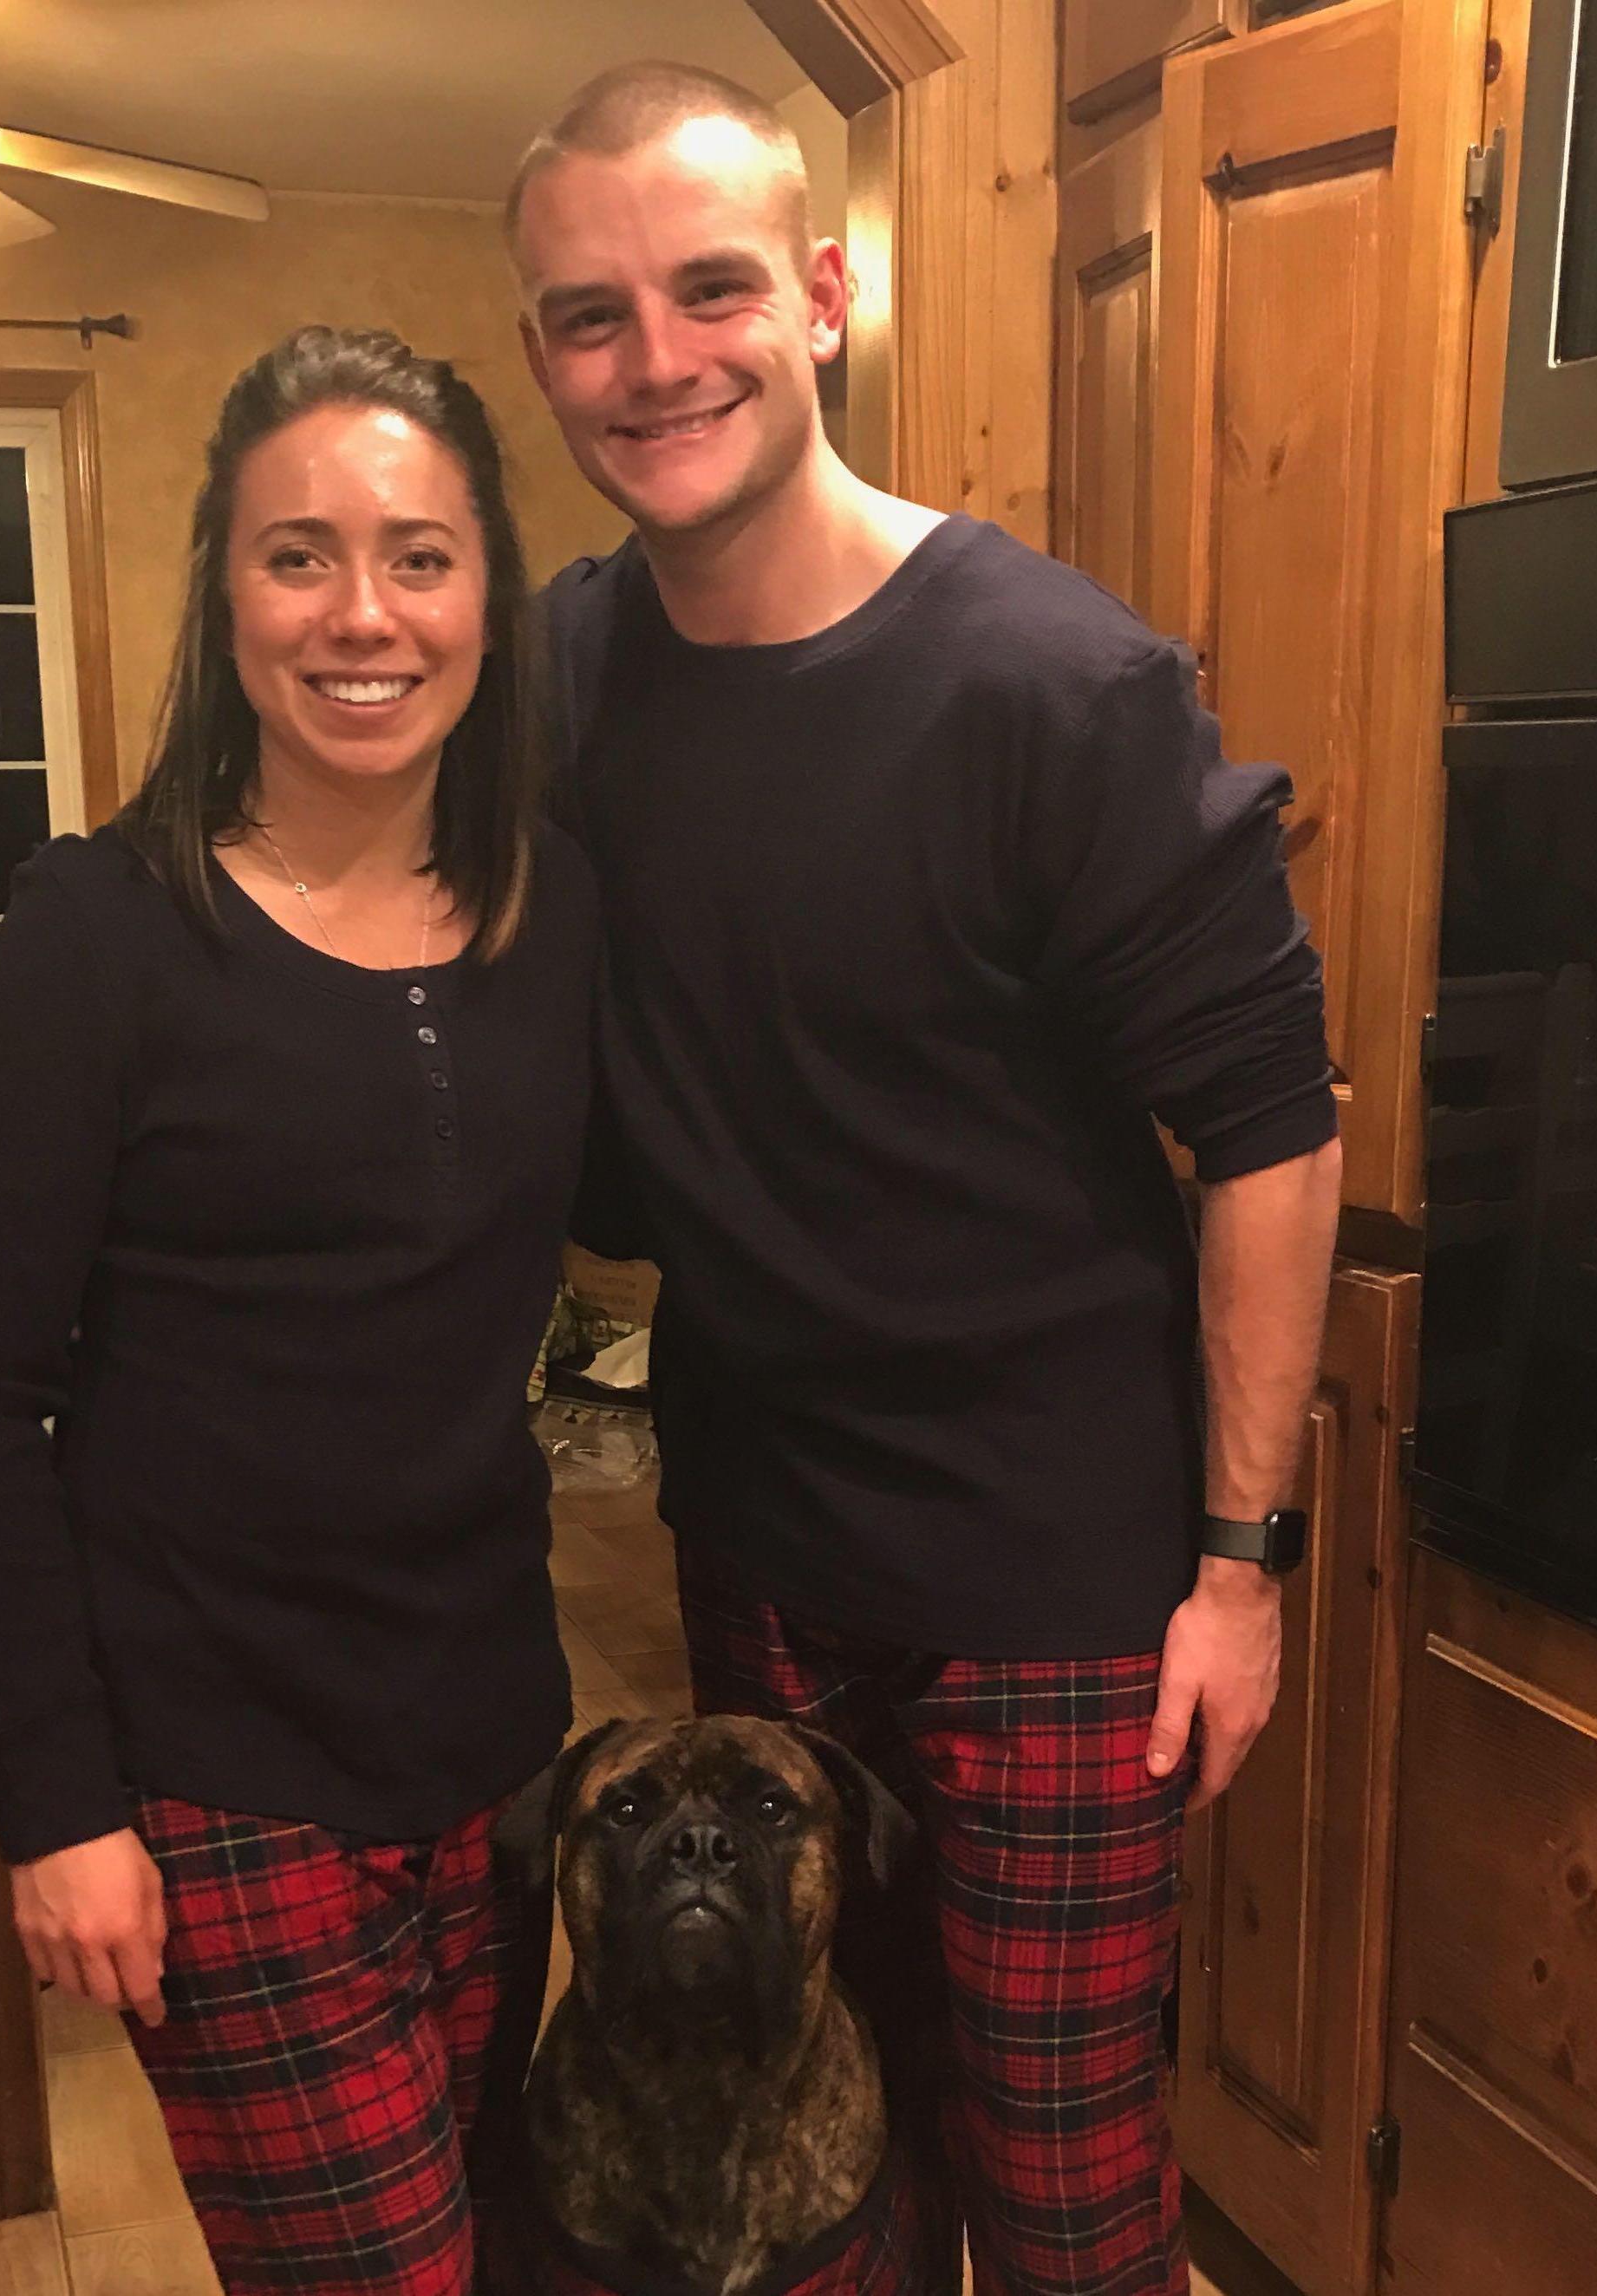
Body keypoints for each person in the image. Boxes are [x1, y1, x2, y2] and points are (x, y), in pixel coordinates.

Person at [509, 66, 1344, 2296]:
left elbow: (1270, 1124)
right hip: (764, 1546)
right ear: (539, 360)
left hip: (1058, 1573)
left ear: (822, 295)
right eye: (588, 317)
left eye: (706, 291)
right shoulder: (559, 677)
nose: (655, 359)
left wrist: (1239, 1563)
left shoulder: (1052, 687)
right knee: (822, 2133)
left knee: (1057, 2177)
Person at [0, 325, 594, 2296]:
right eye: (299, 555)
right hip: (219, 1776)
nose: (361, 613)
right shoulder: (96, 940)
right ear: (224, 592)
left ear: (488, 599)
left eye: (419, 554)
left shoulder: (559, 915)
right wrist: (57, 1808)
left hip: (495, 1744)